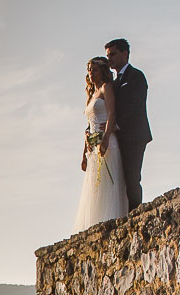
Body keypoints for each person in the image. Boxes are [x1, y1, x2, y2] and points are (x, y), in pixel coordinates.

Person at [71, 57, 128, 232]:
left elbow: (112, 114)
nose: (91, 73)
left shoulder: (106, 88)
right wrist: (84, 153)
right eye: (89, 70)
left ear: (102, 71)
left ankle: (110, 222)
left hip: (107, 141)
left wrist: (105, 139)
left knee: (107, 183)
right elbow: (89, 125)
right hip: (93, 145)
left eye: (94, 70)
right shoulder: (92, 94)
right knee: (94, 186)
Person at [104, 38, 151, 207]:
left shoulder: (136, 76)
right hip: (118, 139)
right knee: (119, 178)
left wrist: (116, 125)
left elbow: (136, 106)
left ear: (125, 53)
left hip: (134, 136)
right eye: (108, 56)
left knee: (132, 177)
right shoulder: (113, 83)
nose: (110, 59)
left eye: (113, 54)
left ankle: (135, 212)